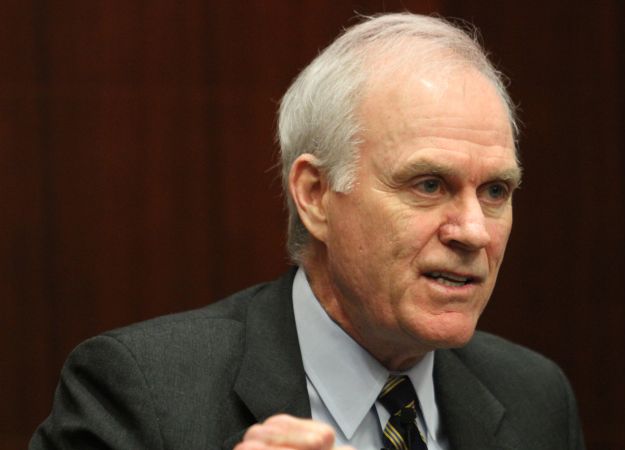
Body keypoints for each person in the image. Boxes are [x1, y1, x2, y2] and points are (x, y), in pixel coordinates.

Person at [30, 13, 585, 450]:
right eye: (429, 185)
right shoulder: (143, 391)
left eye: (495, 191)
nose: (473, 232)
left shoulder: (535, 396)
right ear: (316, 195)